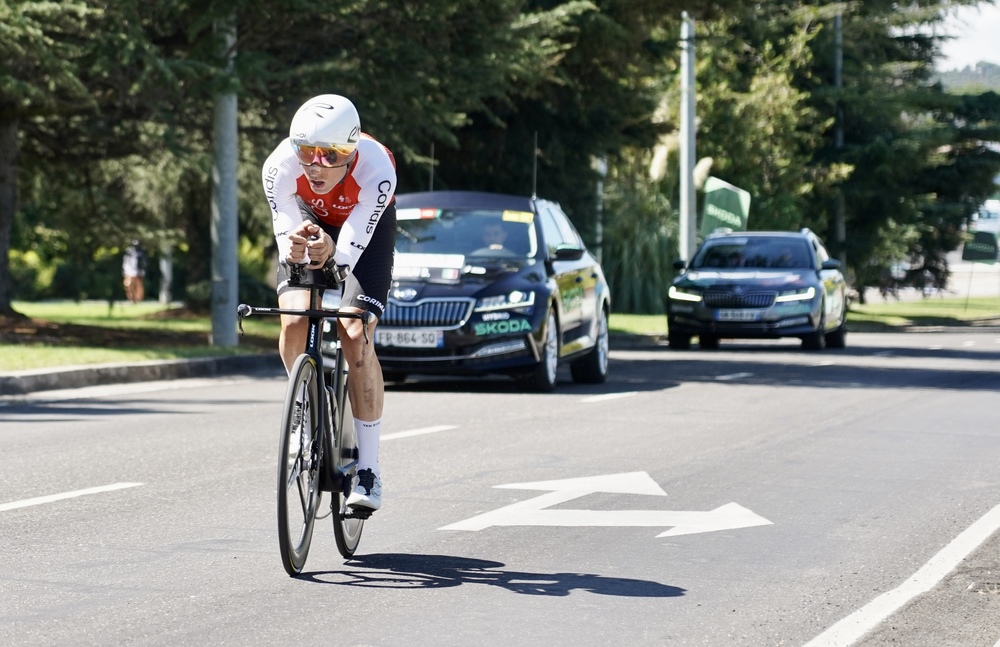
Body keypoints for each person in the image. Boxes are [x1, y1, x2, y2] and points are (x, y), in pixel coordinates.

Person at [261, 94, 397, 511]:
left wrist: (333, 256)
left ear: (351, 151)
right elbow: (287, 237)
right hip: (308, 218)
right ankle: (303, 406)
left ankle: (369, 470)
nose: (316, 165)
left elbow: (350, 249)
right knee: (293, 318)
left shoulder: (378, 169)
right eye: (307, 152)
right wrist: (299, 246)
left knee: (354, 330)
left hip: (362, 231)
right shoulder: (279, 166)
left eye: (330, 154)